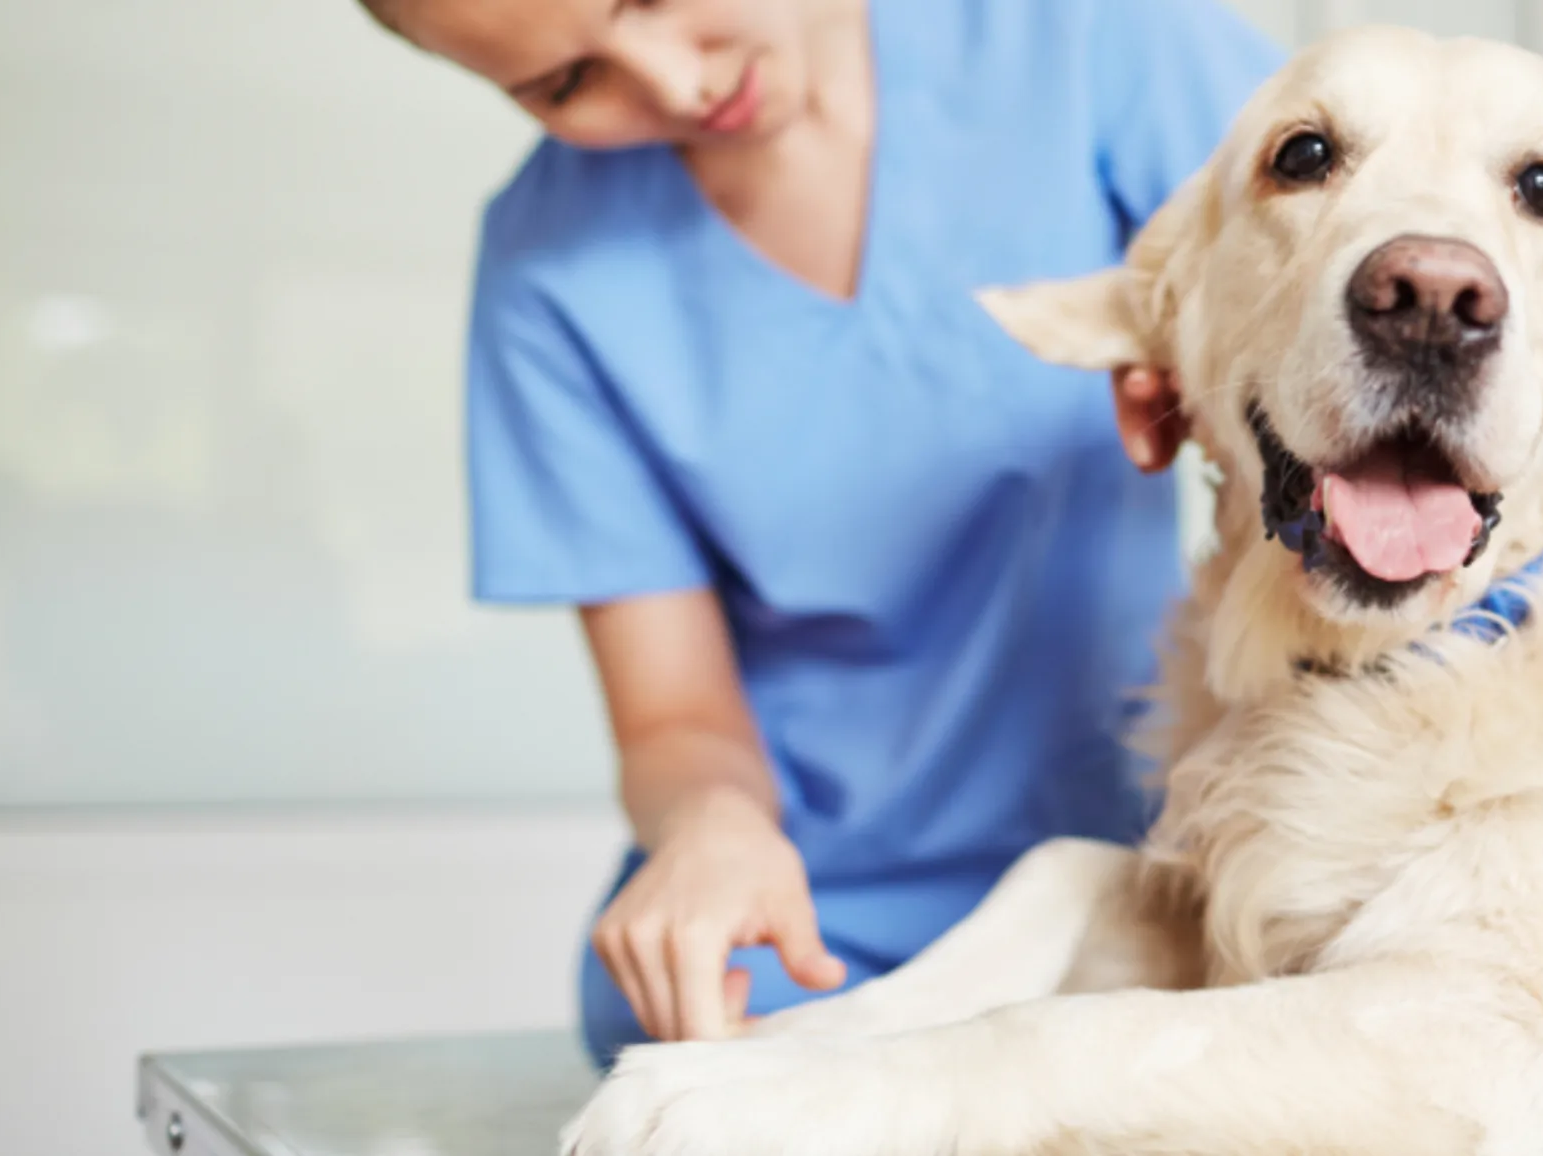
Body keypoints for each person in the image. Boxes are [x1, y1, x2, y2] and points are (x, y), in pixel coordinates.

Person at [359, 0, 1282, 1067]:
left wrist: (1224, 379)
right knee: (699, 1034)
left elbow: (1341, 267)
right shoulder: (549, 271)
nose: (675, 82)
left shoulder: (1086, 40)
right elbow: (672, 717)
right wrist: (709, 826)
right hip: (815, 919)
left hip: (1159, 850)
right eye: (566, 84)